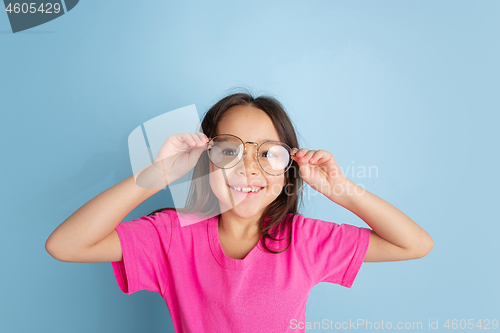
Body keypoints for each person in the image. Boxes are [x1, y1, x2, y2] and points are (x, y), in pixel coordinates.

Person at [45, 92, 434, 332]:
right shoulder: (171, 236)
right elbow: (65, 245)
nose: (249, 168)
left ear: (288, 167)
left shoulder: (304, 240)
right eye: (229, 151)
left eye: (268, 153)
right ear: (204, 160)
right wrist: (157, 174)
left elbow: (415, 244)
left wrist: (341, 191)